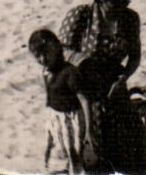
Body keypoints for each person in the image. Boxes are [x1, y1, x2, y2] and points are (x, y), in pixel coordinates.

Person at [59, 0, 146, 174]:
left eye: (125, 1)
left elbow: (135, 55)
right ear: (100, 0)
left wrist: (124, 77)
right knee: (90, 154)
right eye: (115, 3)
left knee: (135, 152)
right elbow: (62, 51)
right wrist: (85, 64)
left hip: (114, 89)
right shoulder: (80, 16)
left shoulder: (130, 18)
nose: (121, 8)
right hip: (83, 89)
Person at [29, 28, 96, 175]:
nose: (43, 59)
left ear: (57, 48)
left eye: (46, 53)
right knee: (57, 153)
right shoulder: (47, 72)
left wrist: (88, 130)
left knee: (75, 153)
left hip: (72, 120)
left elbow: (85, 101)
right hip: (56, 118)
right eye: (38, 56)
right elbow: (50, 94)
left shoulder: (69, 72)